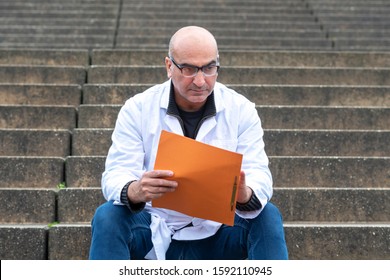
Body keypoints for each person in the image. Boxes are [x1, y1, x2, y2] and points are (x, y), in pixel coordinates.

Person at [89, 26, 288, 260]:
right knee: (107, 216)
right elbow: (116, 173)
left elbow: (259, 174)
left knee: (267, 216)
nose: (201, 81)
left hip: (218, 232)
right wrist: (135, 190)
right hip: (152, 228)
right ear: (169, 66)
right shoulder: (138, 108)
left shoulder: (241, 109)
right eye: (189, 69)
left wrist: (245, 194)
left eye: (209, 68)